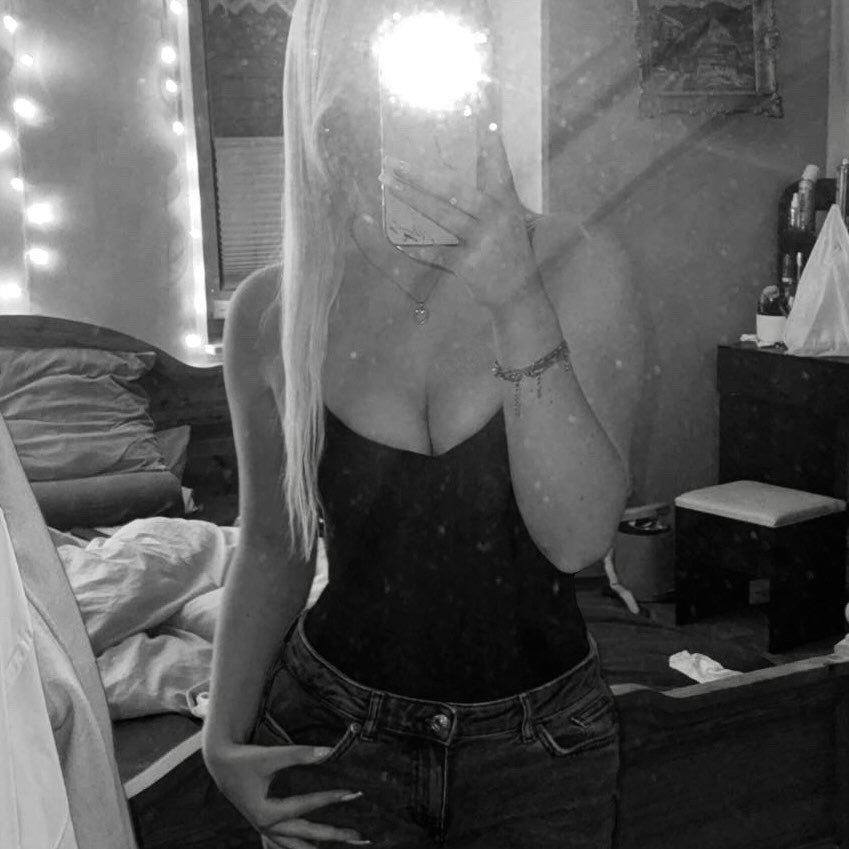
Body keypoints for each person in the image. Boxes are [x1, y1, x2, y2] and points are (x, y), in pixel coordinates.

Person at [202, 1, 644, 847]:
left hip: (542, 756)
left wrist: (516, 297)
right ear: (328, 91)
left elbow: (578, 539)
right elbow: (270, 545)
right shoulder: (274, 310)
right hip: (332, 736)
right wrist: (220, 740)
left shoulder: (578, 265)